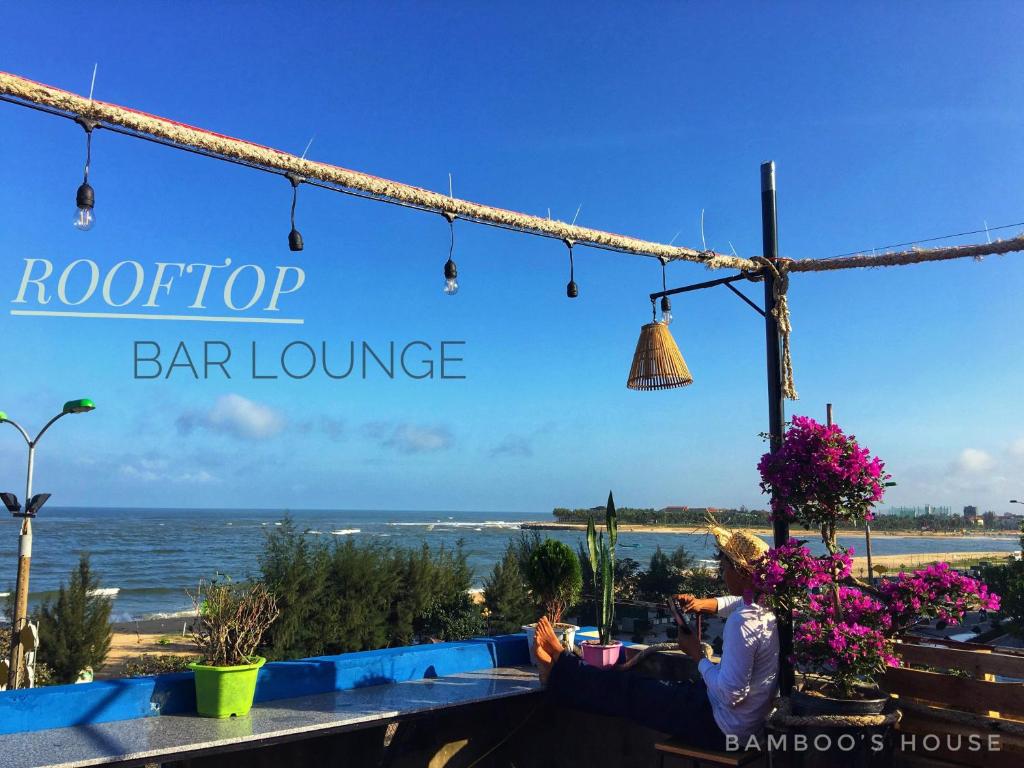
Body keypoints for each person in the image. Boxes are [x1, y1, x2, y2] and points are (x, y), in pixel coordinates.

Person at [533, 525, 779, 750]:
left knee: (628, 689)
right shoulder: (766, 607)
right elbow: (734, 602)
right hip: (741, 725)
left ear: (744, 573)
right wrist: (702, 604)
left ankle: (558, 666)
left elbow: (731, 693)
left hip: (718, 727)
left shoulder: (743, 622)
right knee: (643, 688)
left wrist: (695, 654)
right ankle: (559, 671)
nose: (723, 574)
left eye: (725, 567)